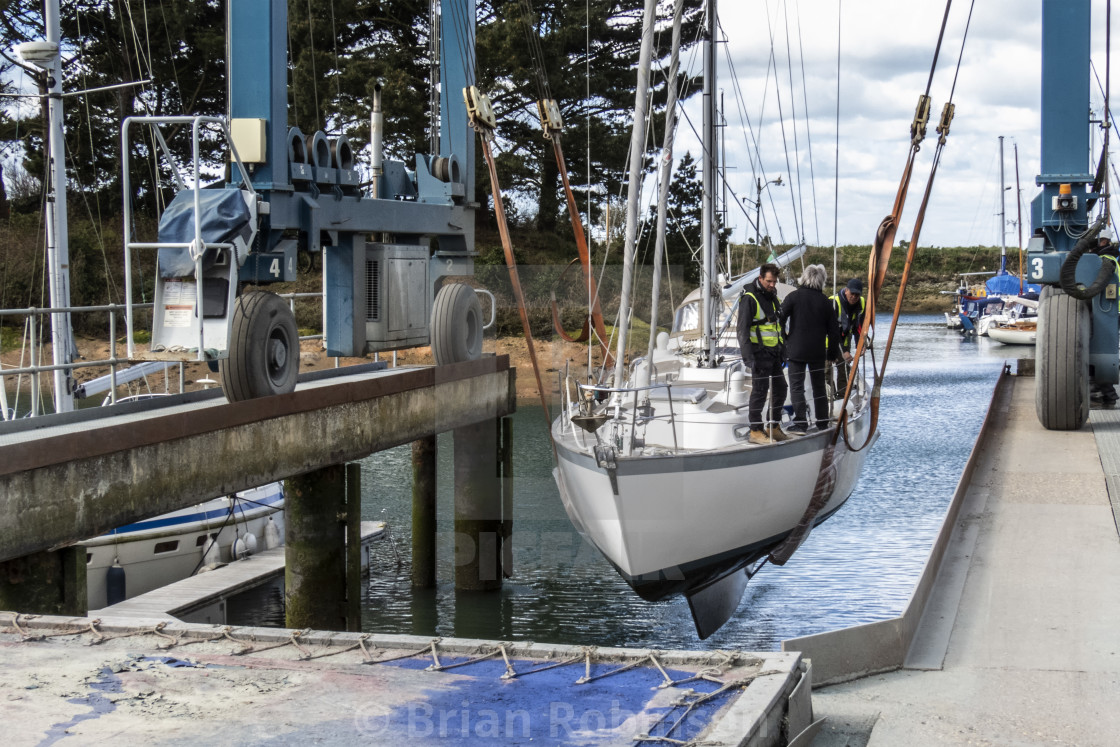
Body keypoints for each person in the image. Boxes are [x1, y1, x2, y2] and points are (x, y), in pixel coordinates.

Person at [781, 265, 850, 434]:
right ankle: (822, 422)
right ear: (822, 281)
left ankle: (801, 423)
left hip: (796, 349)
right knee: (819, 386)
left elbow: (779, 319)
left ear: (804, 278)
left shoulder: (793, 297)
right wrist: (833, 353)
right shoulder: (826, 303)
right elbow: (834, 332)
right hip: (818, 351)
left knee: (796, 387)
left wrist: (784, 339)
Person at [738, 263, 789, 445]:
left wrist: (783, 349)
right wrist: (748, 358)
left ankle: (773, 426)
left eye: (774, 282)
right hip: (758, 353)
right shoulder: (749, 298)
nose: (772, 285)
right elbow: (742, 330)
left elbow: (777, 326)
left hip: (774, 352)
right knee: (759, 392)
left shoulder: (772, 297)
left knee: (781, 388)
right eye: (769, 281)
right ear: (760, 278)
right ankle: (755, 430)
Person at [830, 278, 866, 397]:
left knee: (844, 371)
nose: (854, 297)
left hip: (845, 340)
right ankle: (828, 398)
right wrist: (844, 351)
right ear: (846, 291)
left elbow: (858, 326)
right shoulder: (834, 303)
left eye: (857, 294)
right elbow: (832, 330)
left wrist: (860, 345)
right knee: (825, 372)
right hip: (828, 342)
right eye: (852, 293)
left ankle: (842, 399)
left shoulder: (861, 303)